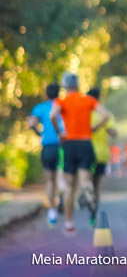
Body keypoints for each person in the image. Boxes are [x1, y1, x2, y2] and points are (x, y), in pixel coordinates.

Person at [50, 72, 111, 236]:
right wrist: (95, 127)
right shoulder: (88, 100)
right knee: (85, 177)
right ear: (77, 85)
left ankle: (69, 224)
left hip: (69, 143)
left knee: (69, 185)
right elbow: (106, 115)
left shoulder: (61, 101)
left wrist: (59, 132)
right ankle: (87, 191)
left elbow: (52, 115)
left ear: (64, 86)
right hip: (85, 142)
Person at [27, 83, 63, 227]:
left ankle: (52, 211)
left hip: (47, 145)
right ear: (59, 93)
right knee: (62, 175)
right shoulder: (63, 106)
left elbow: (30, 124)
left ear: (46, 94)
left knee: (50, 179)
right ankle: (60, 198)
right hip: (62, 144)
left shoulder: (40, 108)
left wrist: (39, 133)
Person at [87, 87, 117, 224]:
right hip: (100, 154)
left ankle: (91, 207)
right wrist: (104, 125)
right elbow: (114, 133)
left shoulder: (85, 112)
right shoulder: (105, 113)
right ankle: (93, 212)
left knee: (88, 181)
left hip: (88, 152)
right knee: (96, 184)